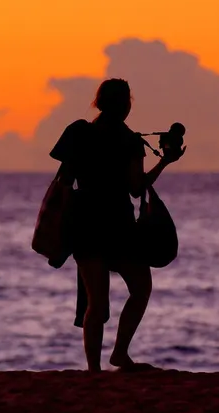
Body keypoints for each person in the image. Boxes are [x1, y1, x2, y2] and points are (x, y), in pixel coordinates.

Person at [50, 78, 184, 372]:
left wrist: (65, 222)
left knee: (96, 303)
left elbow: (63, 183)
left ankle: (93, 369)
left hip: (84, 224)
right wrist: (165, 162)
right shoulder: (129, 141)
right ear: (126, 106)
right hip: (117, 224)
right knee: (140, 288)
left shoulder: (79, 134)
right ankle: (119, 353)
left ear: (98, 103)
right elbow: (137, 188)